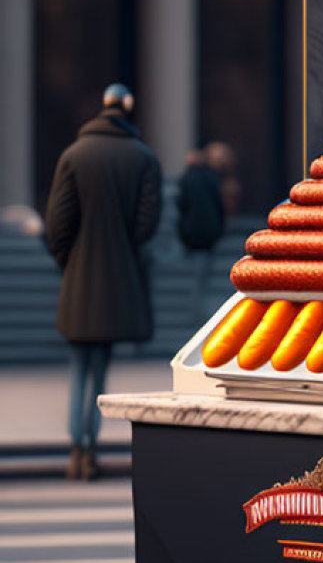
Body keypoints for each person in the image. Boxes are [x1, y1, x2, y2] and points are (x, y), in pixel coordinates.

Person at [45, 83, 162, 480]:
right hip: (119, 279)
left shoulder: (73, 156)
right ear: (128, 111)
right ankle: (90, 450)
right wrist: (121, 254)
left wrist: (69, 262)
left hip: (78, 277)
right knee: (99, 372)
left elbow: (57, 224)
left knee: (78, 368)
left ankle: (77, 448)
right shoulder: (143, 158)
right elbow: (147, 225)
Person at [177, 148, 226, 319]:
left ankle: (194, 306)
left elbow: (182, 205)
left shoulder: (186, 179)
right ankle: (197, 305)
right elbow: (219, 205)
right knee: (202, 271)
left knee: (195, 271)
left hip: (192, 231)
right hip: (208, 231)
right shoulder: (211, 178)